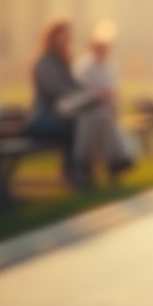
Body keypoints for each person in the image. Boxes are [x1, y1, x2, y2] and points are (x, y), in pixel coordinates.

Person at [27, 20, 130, 189]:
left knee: (101, 113)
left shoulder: (64, 60)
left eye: (69, 36)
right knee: (89, 118)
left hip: (64, 113)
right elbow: (57, 90)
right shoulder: (44, 61)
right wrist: (90, 95)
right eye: (64, 35)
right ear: (53, 37)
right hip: (44, 118)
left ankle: (104, 162)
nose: (68, 39)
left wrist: (97, 93)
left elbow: (77, 87)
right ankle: (89, 165)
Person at [77, 31, 138, 181]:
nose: (103, 52)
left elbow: (114, 91)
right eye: (100, 49)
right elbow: (85, 91)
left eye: (105, 49)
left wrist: (111, 101)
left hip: (106, 109)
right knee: (103, 120)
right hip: (88, 109)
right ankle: (116, 160)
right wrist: (102, 95)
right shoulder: (84, 66)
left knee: (109, 120)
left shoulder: (111, 66)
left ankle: (115, 161)